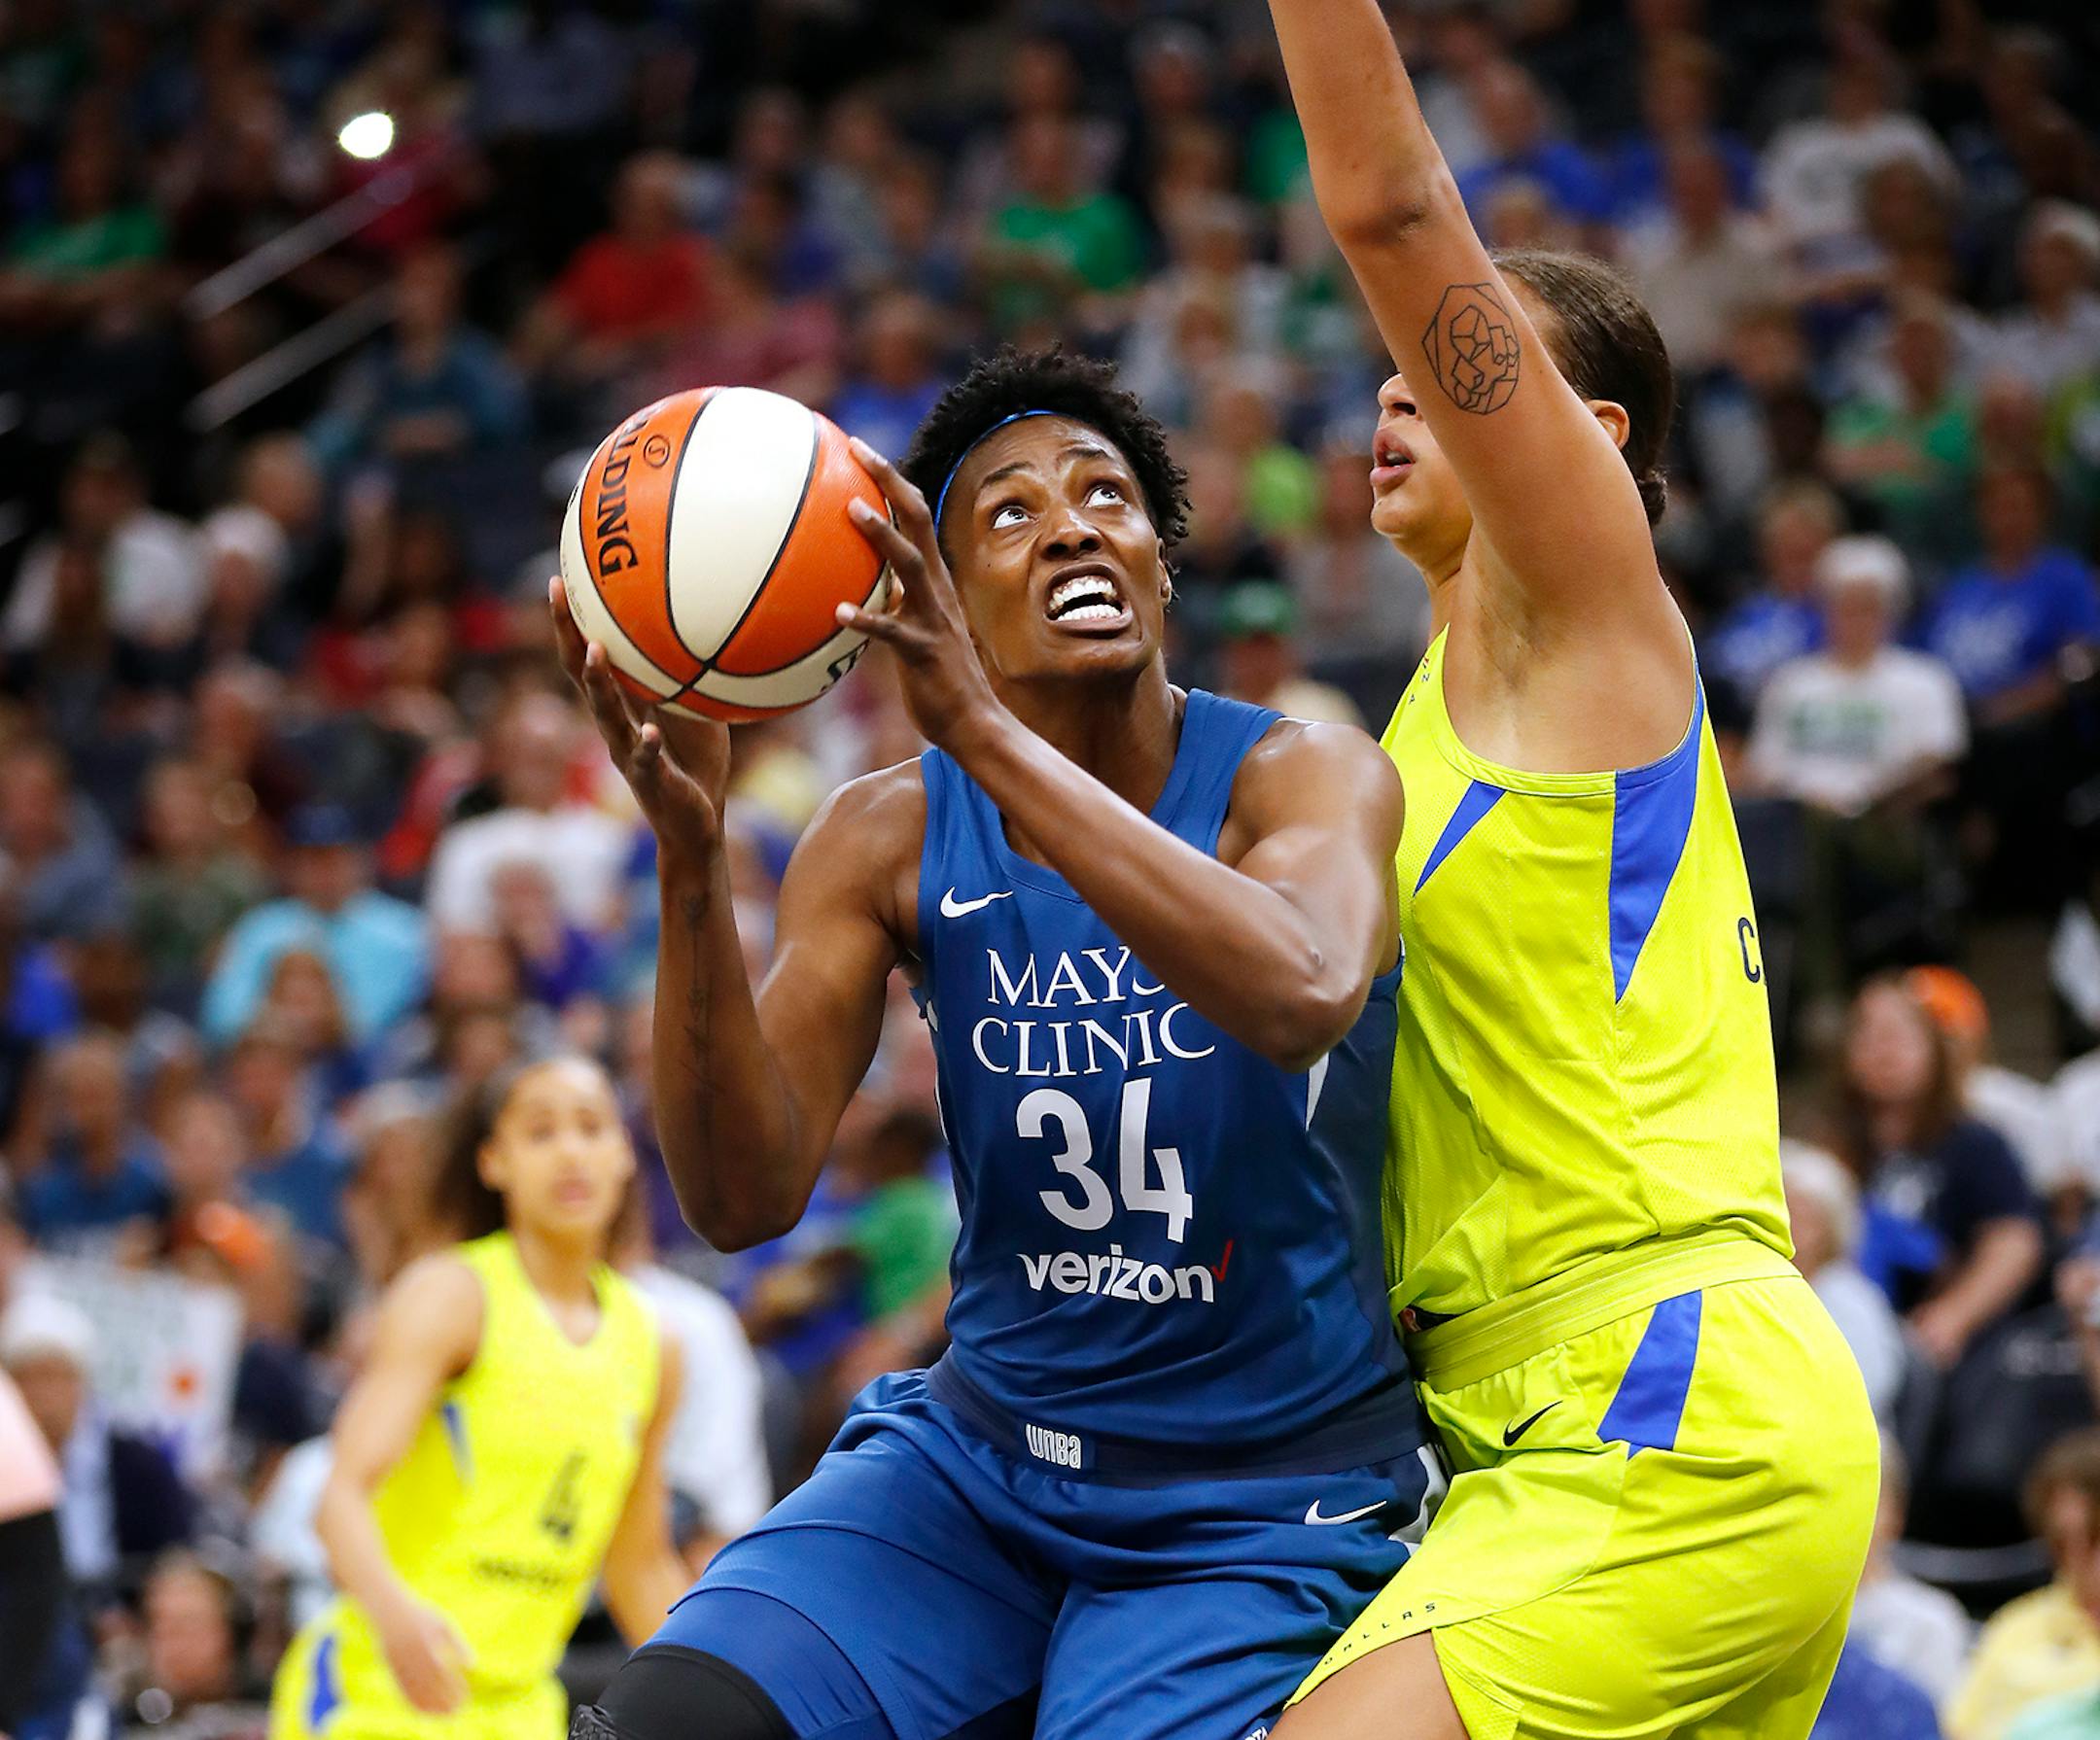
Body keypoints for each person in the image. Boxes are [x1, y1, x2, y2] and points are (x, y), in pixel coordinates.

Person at [562, 347, 1433, 1740]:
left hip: (1260, 1496)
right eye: (1011, 513)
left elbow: (1306, 984)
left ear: (1160, 566)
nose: (1076, 522)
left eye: (1108, 496)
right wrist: (690, 857)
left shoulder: (1304, 772)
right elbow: (738, 1198)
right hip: (982, 1459)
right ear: (945, 601)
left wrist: (980, 724)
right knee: (668, 1718)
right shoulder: (883, 832)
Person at [1259, 4, 1881, 1734]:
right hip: (1520, 1421)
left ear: (1591, 440)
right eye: (1380, 376)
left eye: (1446, 370)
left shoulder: (1599, 631)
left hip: (1668, 1404)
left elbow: (1391, 217)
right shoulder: (1410, 731)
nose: (1397, 383)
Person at [267, 1057, 687, 1740]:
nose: (570, 1152)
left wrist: (717, 1681)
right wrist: (395, 1617)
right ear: (494, 1162)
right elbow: (340, 1494)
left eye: (590, 1128)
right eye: (541, 1132)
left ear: (623, 1156)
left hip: (521, 1710)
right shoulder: (452, 1295)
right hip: (378, 1694)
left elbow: (639, 1565)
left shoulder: (656, 1346)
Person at [1946, 1431, 2100, 1740]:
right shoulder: (2015, 1626)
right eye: (2062, 1541)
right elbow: (1959, 1728)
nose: (2079, 1556)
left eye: (2091, 1533)